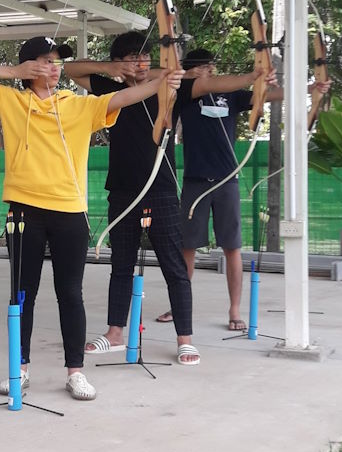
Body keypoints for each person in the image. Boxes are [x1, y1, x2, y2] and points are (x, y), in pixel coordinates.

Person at [0, 36, 182, 400]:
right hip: (24, 210)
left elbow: (124, 97)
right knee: (21, 295)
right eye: (46, 60)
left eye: (57, 61)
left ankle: (75, 372)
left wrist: (164, 81)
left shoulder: (78, 105)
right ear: (30, 67)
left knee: (70, 295)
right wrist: (14, 72)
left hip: (69, 211)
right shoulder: (13, 101)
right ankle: (20, 367)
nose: (54, 67)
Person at [64, 33, 270, 365]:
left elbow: (211, 84)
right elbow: (71, 68)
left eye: (145, 56)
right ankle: (115, 333)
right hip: (123, 190)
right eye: (132, 57)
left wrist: (251, 77)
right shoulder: (110, 89)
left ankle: (185, 340)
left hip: (160, 188)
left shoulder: (171, 88)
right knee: (121, 266)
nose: (141, 63)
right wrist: (114, 68)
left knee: (175, 267)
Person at [155, 48, 329, 331]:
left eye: (212, 66)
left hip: (227, 180)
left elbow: (268, 95)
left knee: (232, 247)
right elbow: (165, 85)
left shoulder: (231, 95)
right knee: (187, 247)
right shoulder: (185, 95)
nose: (211, 71)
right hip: (195, 181)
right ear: (192, 71)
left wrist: (310, 88)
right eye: (204, 67)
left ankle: (235, 311)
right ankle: (179, 306)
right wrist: (187, 75)